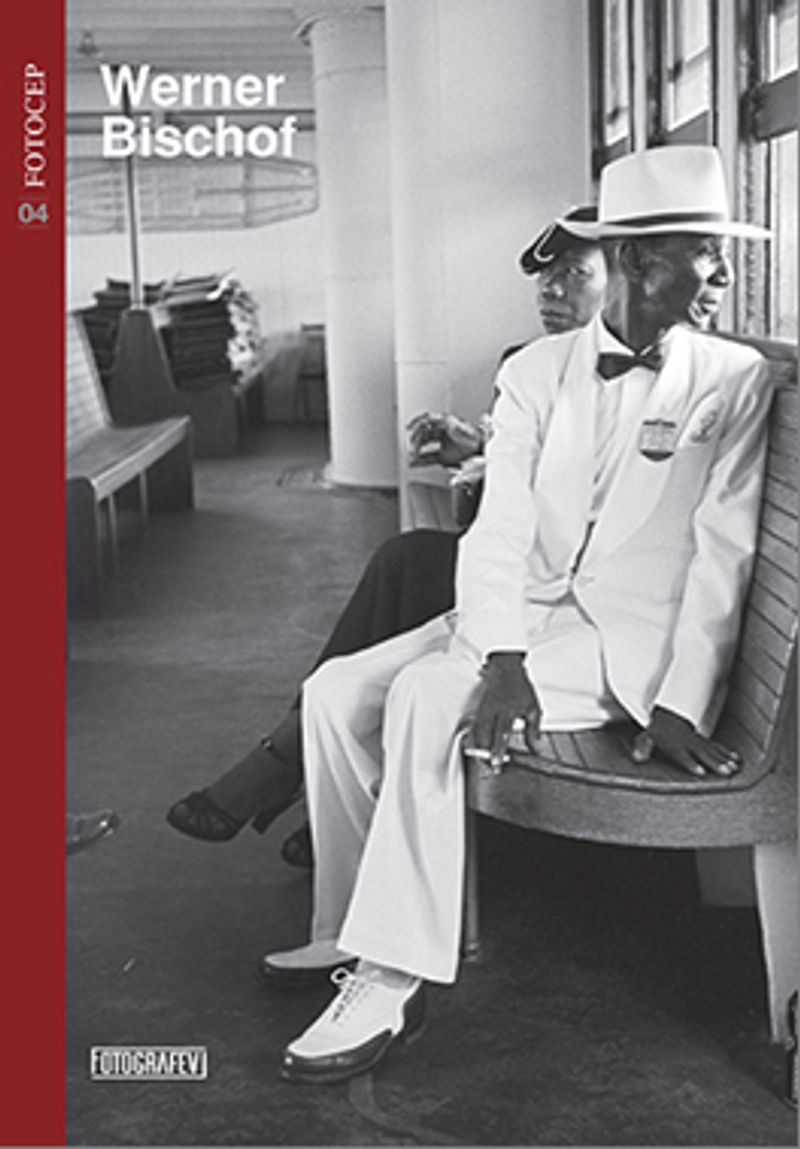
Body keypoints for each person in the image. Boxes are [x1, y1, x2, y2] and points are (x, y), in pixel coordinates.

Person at [261, 145, 773, 1085]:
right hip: (526, 616)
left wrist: (680, 702)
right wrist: (502, 653)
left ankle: (392, 976)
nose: (725, 276)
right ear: (637, 259)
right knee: (334, 692)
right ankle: (344, 928)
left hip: (624, 644)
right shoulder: (536, 372)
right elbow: (498, 528)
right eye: (707, 252)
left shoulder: (734, 378)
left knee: (425, 695)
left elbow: (725, 549)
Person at [166, 206, 607, 862]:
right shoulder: (532, 365)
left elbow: (589, 506)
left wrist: (488, 470)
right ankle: (320, 781)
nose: (550, 289)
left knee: (409, 566)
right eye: (546, 277)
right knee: (409, 567)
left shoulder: (649, 379)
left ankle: (295, 767)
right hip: (527, 565)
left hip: (571, 595)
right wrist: (474, 449)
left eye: (574, 274)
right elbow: (536, 480)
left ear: (627, 279)